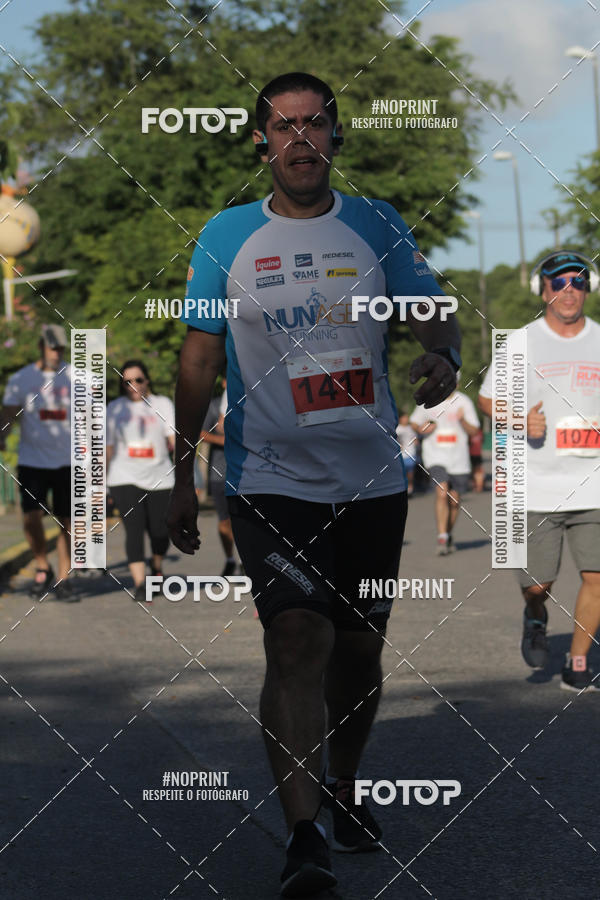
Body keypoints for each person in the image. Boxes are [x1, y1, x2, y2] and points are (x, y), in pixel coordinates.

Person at [167, 72, 462, 897]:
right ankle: (305, 838)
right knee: (297, 638)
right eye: (283, 126)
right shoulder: (226, 237)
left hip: (368, 480)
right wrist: (182, 472)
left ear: (335, 136)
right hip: (269, 478)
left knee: (360, 649)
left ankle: (343, 784)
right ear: (261, 142)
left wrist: (445, 354)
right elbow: (197, 359)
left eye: (315, 124)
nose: (300, 139)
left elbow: (431, 307)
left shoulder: (376, 224)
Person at [478, 250, 600, 692]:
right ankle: (535, 615)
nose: (569, 291)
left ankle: (578, 661)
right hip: (535, 487)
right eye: (559, 282)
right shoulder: (521, 342)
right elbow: (488, 400)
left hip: (594, 483)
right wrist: (518, 419)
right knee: (538, 586)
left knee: (597, 577)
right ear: (543, 290)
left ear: (589, 288)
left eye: (578, 282)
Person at [0, 324, 76, 601]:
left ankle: (64, 577)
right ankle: (42, 565)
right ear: (40, 347)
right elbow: (8, 413)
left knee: (67, 522)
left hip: (69, 461)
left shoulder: (77, 376)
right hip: (33, 461)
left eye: (60, 347)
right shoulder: (21, 378)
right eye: (51, 347)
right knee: (31, 518)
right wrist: (2, 435)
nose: (56, 352)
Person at [106, 360, 175, 602]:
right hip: (124, 476)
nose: (133, 385)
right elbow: (108, 448)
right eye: (127, 382)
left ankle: (156, 567)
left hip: (161, 477)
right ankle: (140, 583)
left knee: (159, 530)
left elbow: (173, 439)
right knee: (133, 531)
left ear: (147, 380)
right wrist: (100, 483)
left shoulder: (163, 404)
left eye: (138, 380)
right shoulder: (114, 408)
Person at [410, 377, 480, 554]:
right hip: (435, 456)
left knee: (454, 501)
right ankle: (442, 537)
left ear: (456, 384)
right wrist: (423, 427)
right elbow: (414, 422)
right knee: (442, 492)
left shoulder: (464, 402)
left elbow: (474, 430)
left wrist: (462, 420)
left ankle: (448, 534)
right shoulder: (429, 399)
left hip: (459, 459)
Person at [199, 378, 240, 577]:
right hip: (219, 471)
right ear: (224, 382)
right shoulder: (214, 405)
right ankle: (230, 559)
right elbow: (200, 432)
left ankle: (244, 561)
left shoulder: (247, 401)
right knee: (224, 520)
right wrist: (225, 441)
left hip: (244, 472)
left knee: (243, 519)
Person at [395, 411, 418, 496]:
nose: (406, 419)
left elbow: (415, 438)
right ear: (400, 419)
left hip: (411, 453)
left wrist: (416, 441)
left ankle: (410, 489)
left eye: (407, 417)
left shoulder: (410, 428)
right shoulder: (397, 428)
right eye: (404, 417)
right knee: (402, 474)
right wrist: (398, 444)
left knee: (410, 474)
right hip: (401, 455)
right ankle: (402, 489)